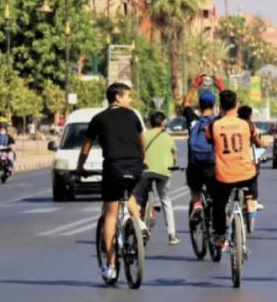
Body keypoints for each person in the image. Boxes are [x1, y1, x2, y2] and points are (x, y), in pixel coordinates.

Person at [76, 83, 145, 282]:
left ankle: (112, 266)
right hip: (135, 166)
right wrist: (142, 159)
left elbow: (86, 145)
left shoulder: (98, 118)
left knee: (110, 215)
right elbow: (142, 140)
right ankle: (139, 222)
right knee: (129, 192)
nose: (130, 100)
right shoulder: (132, 115)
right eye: (128, 96)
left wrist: (81, 166)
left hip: (113, 168)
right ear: (117, 98)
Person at [206, 90, 262, 252]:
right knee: (252, 180)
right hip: (247, 175)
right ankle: (250, 204)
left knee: (218, 203)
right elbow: (256, 139)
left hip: (224, 176)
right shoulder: (246, 124)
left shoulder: (214, 125)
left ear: (220, 107)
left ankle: (220, 235)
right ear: (237, 105)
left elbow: (208, 138)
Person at [134, 111, 180, 245]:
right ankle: (172, 235)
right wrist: (173, 165)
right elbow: (174, 156)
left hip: (146, 171)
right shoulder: (168, 137)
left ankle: (139, 226)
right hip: (164, 173)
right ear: (163, 122)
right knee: (165, 200)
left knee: (138, 199)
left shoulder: (144, 135)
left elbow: (139, 151)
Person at [181, 79, 221, 217]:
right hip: (213, 164)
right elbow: (230, 107)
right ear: (214, 103)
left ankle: (197, 202)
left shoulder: (193, 120)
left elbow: (185, 104)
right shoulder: (218, 121)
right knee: (216, 195)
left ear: (199, 104)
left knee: (194, 186)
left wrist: (194, 85)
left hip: (195, 164)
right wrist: (221, 87)